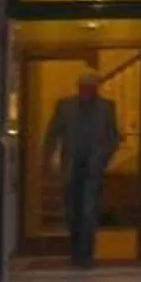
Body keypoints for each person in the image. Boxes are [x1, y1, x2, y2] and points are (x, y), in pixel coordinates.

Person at [48, 74, 121, 269]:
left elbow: (113, 137)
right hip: (71, 167)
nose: (87, 91)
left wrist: (103, 158)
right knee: (72, 211)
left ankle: (86, 254)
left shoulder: (106, 108)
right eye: (84, 87)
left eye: (91, 87)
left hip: (93, 168)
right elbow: (53, 133)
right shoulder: (65, 107)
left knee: (88, 211)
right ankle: (75, 251)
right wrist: (50, 158)